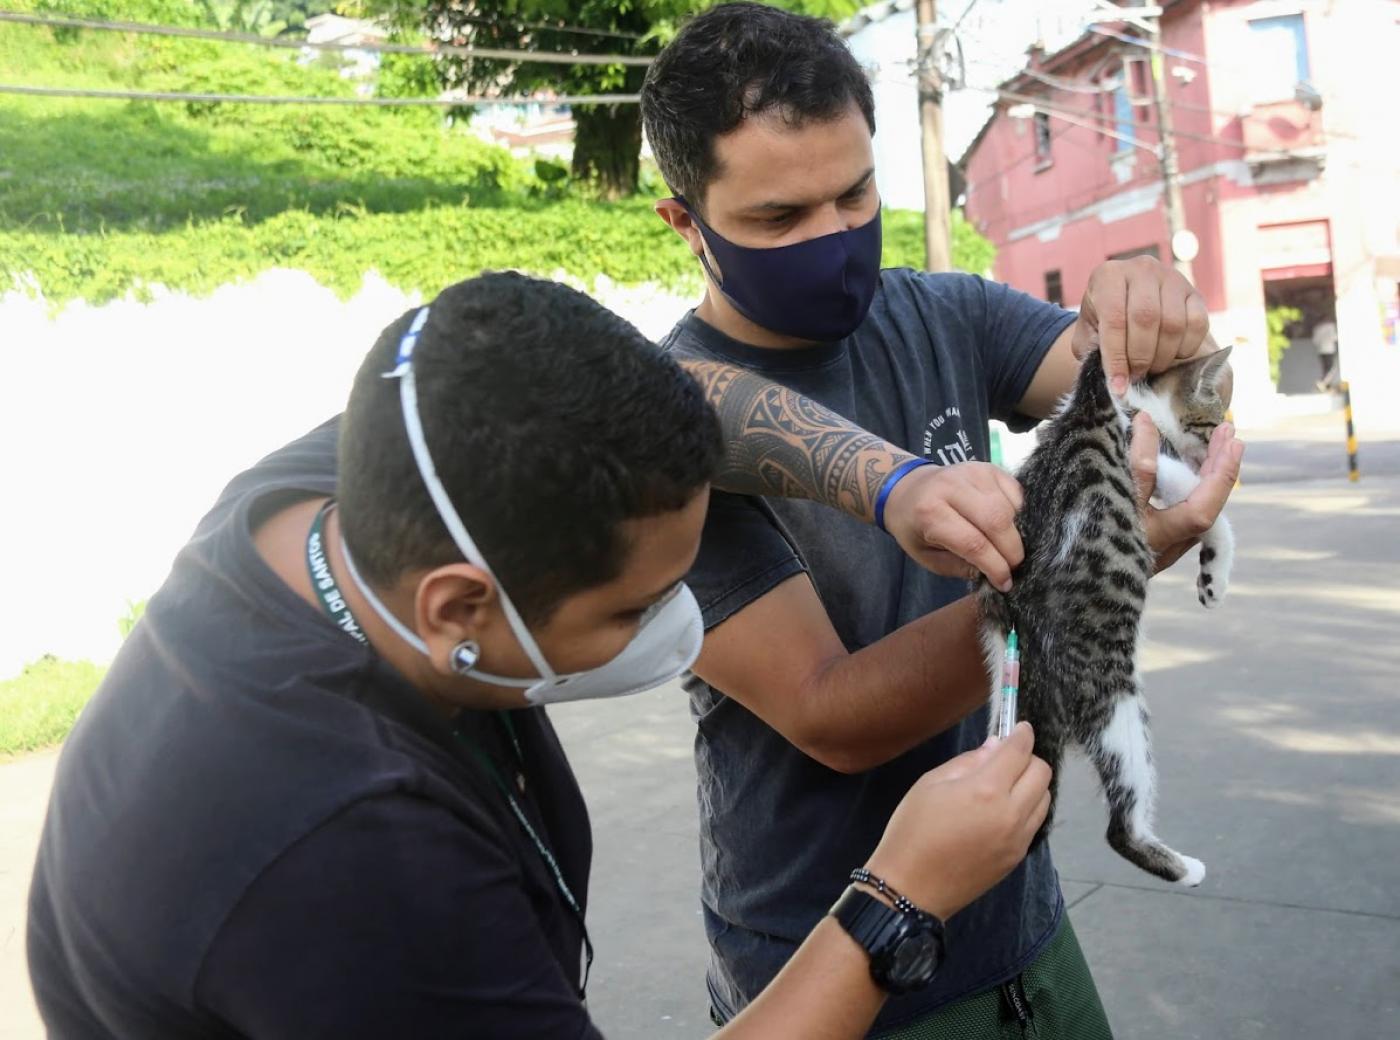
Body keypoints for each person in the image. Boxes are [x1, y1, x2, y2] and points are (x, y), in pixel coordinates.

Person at [27, 272, 1053, 1038]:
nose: (672, 627)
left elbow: (683, 393)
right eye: (632, 606)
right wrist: (895, 900)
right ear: (458, 602)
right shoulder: (354, 854)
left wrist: (889, 485)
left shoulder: (381, 469)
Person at [640, 4, 1246, 1036]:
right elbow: (832, 715)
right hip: (831, 957)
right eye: (779, 219)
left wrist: (1154, 321)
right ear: (684, 220)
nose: (833, 238)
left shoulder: (938, 310)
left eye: (855, 193)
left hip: (1019, 919)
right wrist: (1064, 587)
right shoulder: (664, 423)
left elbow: (1132, 381)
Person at [1311, 317, 1339, 391]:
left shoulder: (1317, 328)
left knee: (1325, 368)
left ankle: (1327, 387)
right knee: (1331, 368)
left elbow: (1315, 340)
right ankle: (1322, 383)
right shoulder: (1330, 326)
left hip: (1320, 350)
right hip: (1329, 349)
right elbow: (1334, 337)